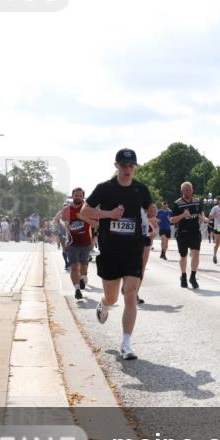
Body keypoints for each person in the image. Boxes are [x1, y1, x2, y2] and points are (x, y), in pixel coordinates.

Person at [79, 148, 155, 360]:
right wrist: (108, 214)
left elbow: (150, 207)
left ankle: (126, 344)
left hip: (133, 250)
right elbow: (84, 211)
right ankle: (104, 304)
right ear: (116, 166)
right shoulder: (105, 188)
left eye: (131, 166)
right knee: (112, 298)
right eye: (124, 165)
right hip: (110, 250)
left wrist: (152, 213)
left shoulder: (140, 189)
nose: (127, 169)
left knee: (130, 294)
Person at [60, 188, 96, 300]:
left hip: (86, 243)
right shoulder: (66, 209)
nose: (78, 197)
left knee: (84, 267)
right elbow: (62, 222)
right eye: (76, 195)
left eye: (80, 196)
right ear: (72, 196)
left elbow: (95, 224)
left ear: (83, 197)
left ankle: (82, 278)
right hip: (72, 243)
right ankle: (77, 290)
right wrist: (65, 226)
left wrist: (93, 239)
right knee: (74, 267)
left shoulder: (87, 209)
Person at [171, 181, 205, 289]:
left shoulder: (197, 201)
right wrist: (183, 215)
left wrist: (202, 218)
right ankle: (183, 276)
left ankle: (193, 277)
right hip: (182, 233)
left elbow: (201, 212)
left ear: (192, 190)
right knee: (183, 256)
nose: (188, 191)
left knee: (196, 254)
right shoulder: (177, 203)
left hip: (195, 232)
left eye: (189, 189)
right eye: (185, 190)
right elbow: (172, 220)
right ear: (182, 191)